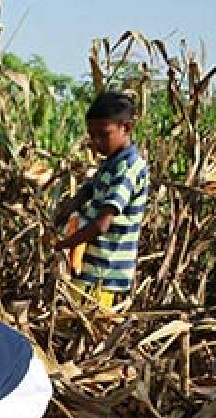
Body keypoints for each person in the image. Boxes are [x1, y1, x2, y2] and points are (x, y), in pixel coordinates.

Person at [53, 90, 150, 309]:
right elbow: (90, 189)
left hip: (104, 270)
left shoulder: (127, 169)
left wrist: (63, 245)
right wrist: (68, 207)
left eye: (103, 134)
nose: (96, 142)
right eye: (92, 135)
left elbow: (102, 224)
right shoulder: (112, 162)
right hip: (90, 267)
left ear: (126, 128)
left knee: (91, 328)